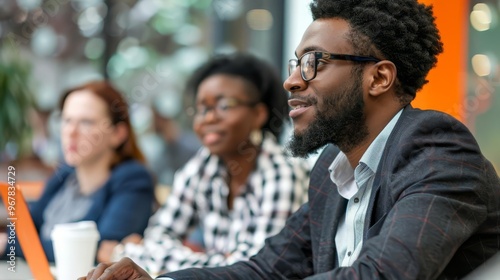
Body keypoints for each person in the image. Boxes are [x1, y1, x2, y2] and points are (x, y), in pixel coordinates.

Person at [80, 0, 500, 279]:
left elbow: (382, 274)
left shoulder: (436, 150)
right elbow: (264, 270)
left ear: (379, 77)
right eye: (296, 62)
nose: (291, 80)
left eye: (313, 62)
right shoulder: (331, 173)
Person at [96, 53, 310, 274]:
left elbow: (254, 271)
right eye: (201, 109)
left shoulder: (283, 173)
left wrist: (130, 251)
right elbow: (157, 237)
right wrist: (210, 261)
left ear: (258, 114)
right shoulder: (204, 165)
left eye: (224, 106)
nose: (207, 118)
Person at [2, 80, 156, 263]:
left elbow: (99, 253)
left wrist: (10, 245)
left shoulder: (133, 178)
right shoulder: (65, 175)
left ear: (118, 134)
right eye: (67, 120)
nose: (71, 132)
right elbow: (22, 229)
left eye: (86, 122)